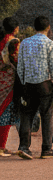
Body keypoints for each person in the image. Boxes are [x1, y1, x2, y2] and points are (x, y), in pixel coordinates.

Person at [16, 15, 53, 159]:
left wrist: (23, 83)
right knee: (47, 115)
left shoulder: (24, 43)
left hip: (28, 85)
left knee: (27, 116)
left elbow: (20, 67)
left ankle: (24, 147)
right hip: (45, 85)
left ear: (34, 27)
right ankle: (46, 149)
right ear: (48, 28)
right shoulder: (50, 44)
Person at [0, 17, 19, 156]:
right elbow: (17, 59)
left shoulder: (1, 40)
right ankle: (1, 146)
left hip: (1, 79)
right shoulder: (14, 41)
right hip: (9, 81)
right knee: (5, 112)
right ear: (15, 28)